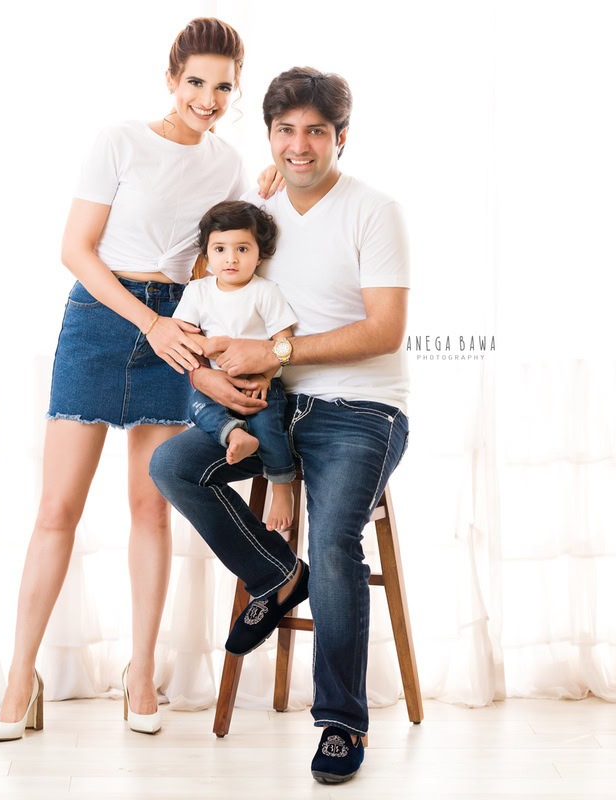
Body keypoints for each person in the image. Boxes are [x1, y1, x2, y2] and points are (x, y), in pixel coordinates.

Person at [0, 17, 254, 741]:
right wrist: (150, 323)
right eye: (195, 81)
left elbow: (219, 258)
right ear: (171, 78)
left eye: (223, 87)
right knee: (56, 510)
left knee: (149, 509)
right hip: (102, 320)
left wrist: (190, 323)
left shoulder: (228, 165)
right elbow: (76, 249)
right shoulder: (120, 141)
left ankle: (140, 674)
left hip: (177, 327)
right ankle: (20, 676)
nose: (207, 98)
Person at [150, 67, 410, 784]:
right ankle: (276, 574)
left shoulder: (374, 211)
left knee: (333, 537)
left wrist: (279, 353)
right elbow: (210, 303)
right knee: (172, 465)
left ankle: (341, 723)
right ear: (268, 137)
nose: (300, 146)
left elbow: (385, 330)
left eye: (316, 132)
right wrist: (204, 374)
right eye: (285, 131)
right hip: (270, 405)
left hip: (361, 410)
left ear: (341, 138)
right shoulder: (258, 211)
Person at [172, 200, 298, 532]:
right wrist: (208, 347)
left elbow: (284, 342)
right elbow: (186, 337)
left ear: (260, 255)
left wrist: (266, 376)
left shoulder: (265, 292)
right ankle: (235, 434)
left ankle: (281, 489)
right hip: (215, 385)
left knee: (269, 427)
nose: (231, 258)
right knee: (196, 407)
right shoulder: (198, 291)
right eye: (220, 249)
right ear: (206, 254)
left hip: (258, 382)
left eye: (242, 249)